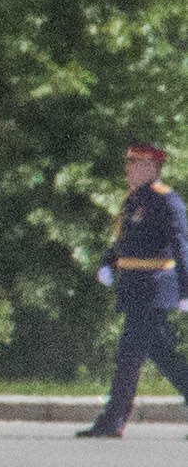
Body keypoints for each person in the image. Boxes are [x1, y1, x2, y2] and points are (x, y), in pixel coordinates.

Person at [84, 141, 187, 436]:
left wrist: (185, 289)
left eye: (135, 164)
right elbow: (123, 241)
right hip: (134, 289)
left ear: (151, 168)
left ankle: (112, 420)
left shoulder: (167, 200)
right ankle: (112, 420)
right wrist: (108, 262)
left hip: (154, 290)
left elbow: (181, 246)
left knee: (128, 357)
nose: (128, 169)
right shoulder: (132, 200)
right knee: (163, 355)